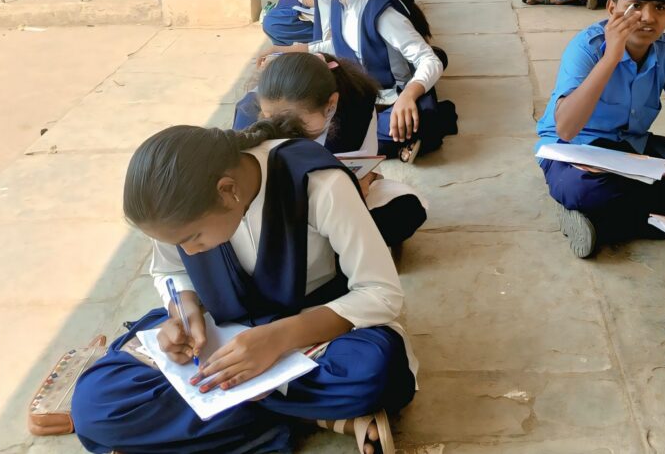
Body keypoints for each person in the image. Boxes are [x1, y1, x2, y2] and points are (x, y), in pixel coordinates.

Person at [72, 120, 416, 454]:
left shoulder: (318, 184)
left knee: (371, 374)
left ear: (227, 191)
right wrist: (184, 311)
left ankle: (223, 419)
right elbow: (170, 270)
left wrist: (278, 338)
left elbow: (380, 292)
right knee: (95, 405)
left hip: (318, 333)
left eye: (193, 239)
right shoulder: (177, 213)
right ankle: (315, 417)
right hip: (226, 328)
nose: (189, 251)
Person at [535, 0, 665, 258]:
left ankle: (604, 221)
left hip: (633, 150)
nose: (647, 17)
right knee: (586, 190)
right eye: (635, 5)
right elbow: (566, 129)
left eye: (660, 7)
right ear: (611, 9)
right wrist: (611, 57)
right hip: (575, 152)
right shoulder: (587, 48)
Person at [264, 0, 457, 162]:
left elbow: (429, 60)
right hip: (360, 90)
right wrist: (292, 50)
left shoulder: (379, 10)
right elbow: (341, 43)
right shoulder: (340, 1)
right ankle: (398, 142)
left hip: (389, 97)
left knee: (333, 134)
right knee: (311, 113)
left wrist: (408, 96)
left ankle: (408, 132)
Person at [234, 52, 428, 249]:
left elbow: (365, 166)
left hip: (335, 201)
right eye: (269, 117)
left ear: (331, 104)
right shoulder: (248, 115)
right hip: (278, 214)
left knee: (406, 210)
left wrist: (364, 181)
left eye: (294, 124)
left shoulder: (357, 102)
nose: (280, 128)